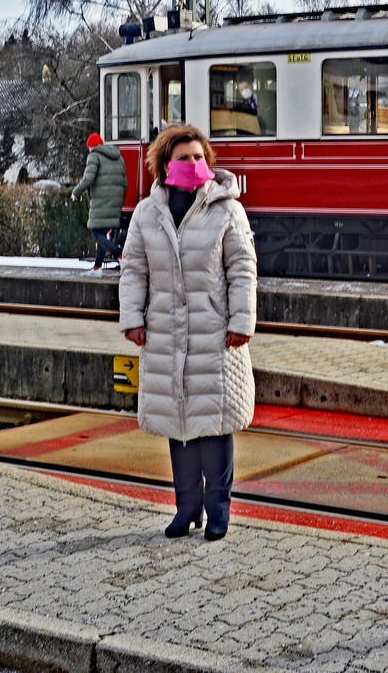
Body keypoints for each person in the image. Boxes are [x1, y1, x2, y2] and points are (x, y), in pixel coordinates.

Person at [118, 124, 256, 542]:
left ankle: (219, 511)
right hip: (165, 332)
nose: (194, 164)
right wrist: (133, 318)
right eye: (184, 158)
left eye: (199, 157)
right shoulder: (147, 212)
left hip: (213, 333)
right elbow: (133, 269)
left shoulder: (227, 209)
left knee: (212, 426)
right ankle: (185, 508)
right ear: (165, 165)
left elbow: (243, 269)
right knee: (177, 426)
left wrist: (241, 322)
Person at [71, 132, 127, 276]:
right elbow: (125, 183)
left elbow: (88, 178)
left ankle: (120, 254)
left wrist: (76, 192)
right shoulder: (118, 157)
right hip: (115, 201)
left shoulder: (94, 156)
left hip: (101, 202)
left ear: (91, 146)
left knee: (96, 234)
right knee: (102, 234)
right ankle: (97, 268)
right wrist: (119, 201)